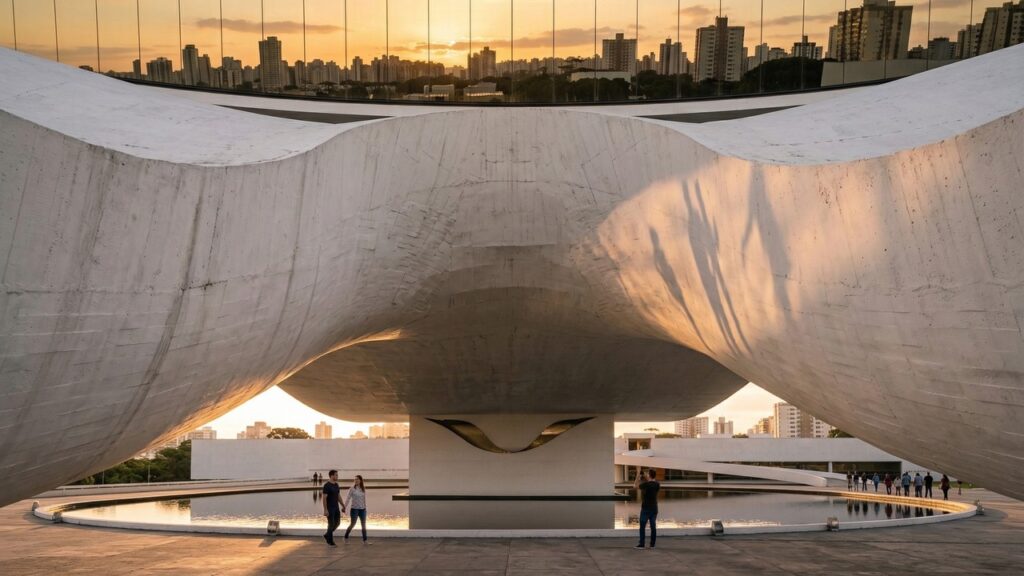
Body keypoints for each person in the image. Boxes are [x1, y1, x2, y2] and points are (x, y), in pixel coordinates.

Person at [634, 467, 659, 549]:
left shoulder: (646, 485)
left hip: (645, 509)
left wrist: (638, 474)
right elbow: (651, 482)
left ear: (649, 475)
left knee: (642, 527)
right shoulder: (657, 484)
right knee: (653, 527)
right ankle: (652, 545)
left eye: (647, 473)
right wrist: (646, 476)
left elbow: (635, 486)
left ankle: (642, 544)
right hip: (654, 508)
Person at [322, 469, 344, 546]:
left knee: (337, 523)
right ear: (331, 476)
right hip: (330, 508)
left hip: (336, 508)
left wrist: (343, 505)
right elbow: (324, 498)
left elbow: (338, 496)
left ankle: (327, 534)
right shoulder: (327, 486)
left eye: (337, 475)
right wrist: (325, 509)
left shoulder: (336, 485)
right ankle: (330, 542)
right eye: (336, 475)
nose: (337, 476)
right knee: (331, 524)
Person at [344, 474, 368, 542]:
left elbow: (364, 499)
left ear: (360, 480)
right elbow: (348, 498)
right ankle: (346, 537)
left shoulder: (363, 488)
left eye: (357, 479)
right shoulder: (352, 489)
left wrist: (365, 508)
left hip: (362, 509)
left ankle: (365, 540)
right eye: (355, 479)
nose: (356, 480)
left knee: (363, 525)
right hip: (354, 509)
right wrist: (344, 507)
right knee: (353, 524)